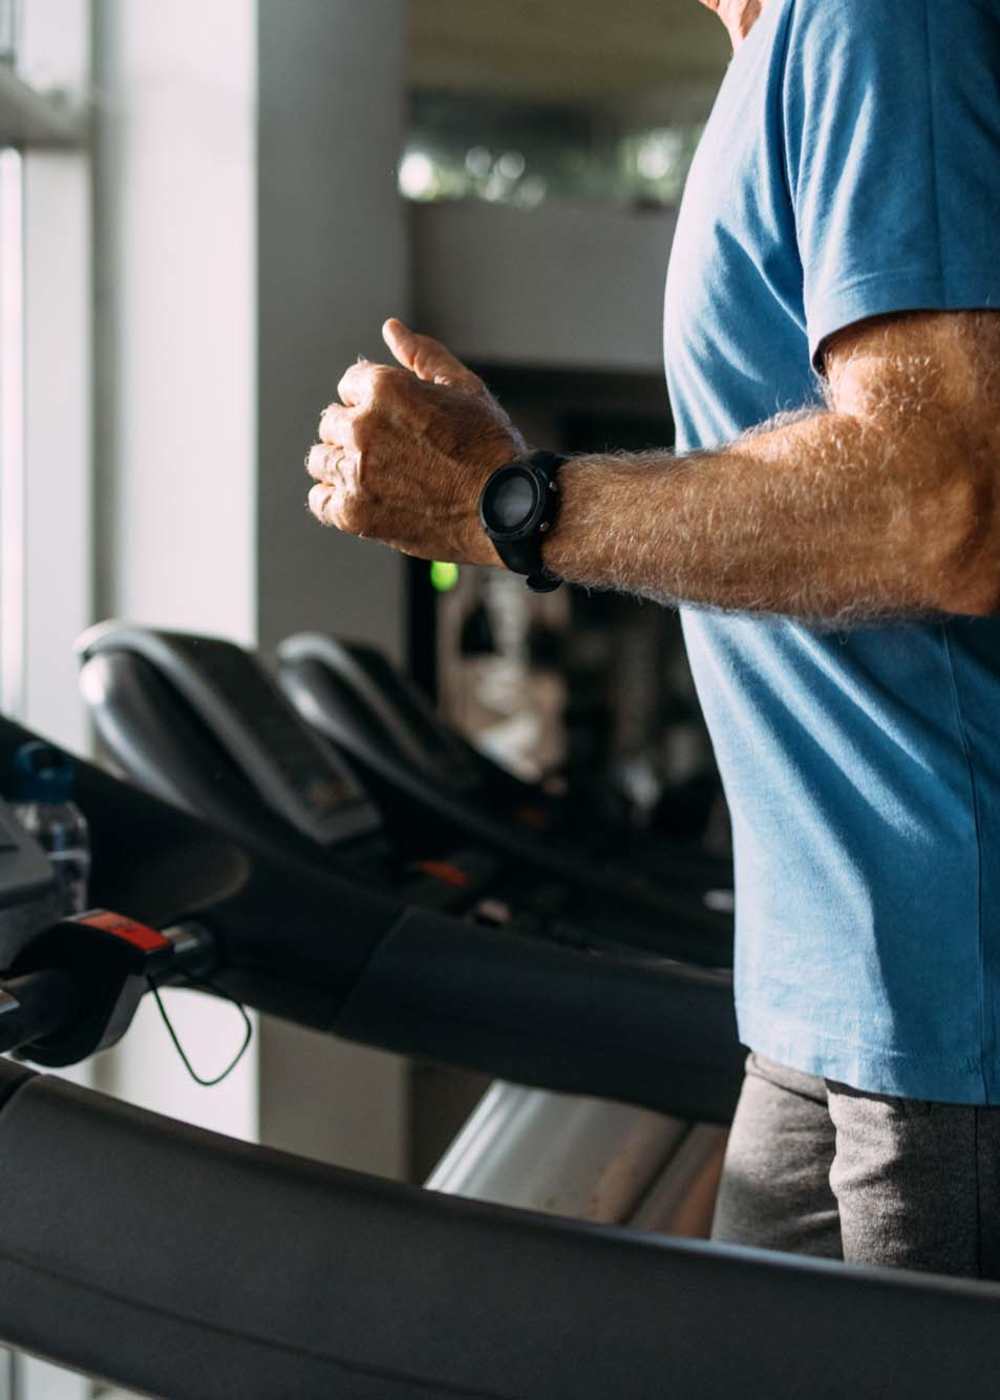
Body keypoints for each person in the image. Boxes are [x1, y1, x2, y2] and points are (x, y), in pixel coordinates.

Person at [304, 0, 1000, 1278]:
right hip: (828, 991)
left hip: (951, 996)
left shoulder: (874, 21)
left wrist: (512, 507)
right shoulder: (777, 49)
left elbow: (936, 503)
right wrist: (516, 487)